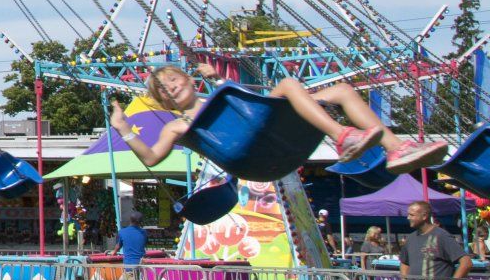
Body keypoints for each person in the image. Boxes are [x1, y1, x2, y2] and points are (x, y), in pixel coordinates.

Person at [108, 63, 444, 174]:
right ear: (163, 102)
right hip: (248, 152)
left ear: (189, 80)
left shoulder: (220, 94)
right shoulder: (178, 125)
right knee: (287, 84)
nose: (172, 88)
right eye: (164, 90)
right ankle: (343, 136)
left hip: (266, 129)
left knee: (341, 89)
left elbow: (248, 103)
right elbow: (151, 158)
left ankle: (397, 148)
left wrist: (219, 79)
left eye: (174, 80)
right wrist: (124, 130)